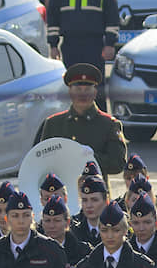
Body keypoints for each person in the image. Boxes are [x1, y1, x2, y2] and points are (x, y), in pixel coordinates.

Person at [47, 0, 119, 105]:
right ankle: (74, 122)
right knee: (73, 84)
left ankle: (101, 123)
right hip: (70, 45)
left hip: (94, 45)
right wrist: (53, 45)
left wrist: (109, 43)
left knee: (96, 86)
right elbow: (53, 18)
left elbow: (112, 16)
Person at [40, 64, 128, 194]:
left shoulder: (109, 124)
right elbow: (42, 162)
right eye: (78, 89)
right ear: (70, 91)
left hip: (96, 198)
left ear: (95, 92)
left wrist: (91, 158)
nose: (82, 94)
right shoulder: (53, 124)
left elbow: (118, 164)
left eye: (87, 89)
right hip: (61, 198)